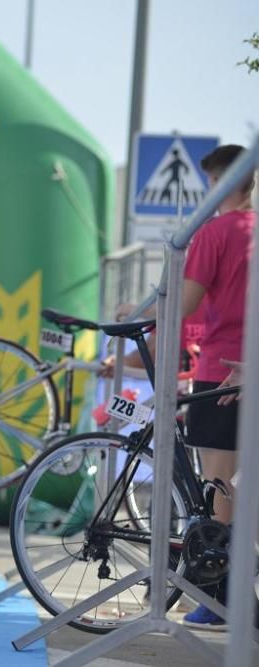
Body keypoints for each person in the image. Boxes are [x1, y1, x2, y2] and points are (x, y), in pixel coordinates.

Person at [107, 144, 255, 631]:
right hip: (249, 366)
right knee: (241, 487)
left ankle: (220, 600)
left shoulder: (214, 233)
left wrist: (134, 315)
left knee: (219, 492)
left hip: (219, 370)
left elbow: (183, 305)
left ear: (222, 184)